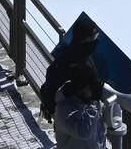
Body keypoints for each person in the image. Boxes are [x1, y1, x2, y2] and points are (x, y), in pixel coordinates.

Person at [42, 15, 109, 149]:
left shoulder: (80, 56)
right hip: (75, 128)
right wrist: (93, 99)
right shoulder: (70, 64)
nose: (96, 41)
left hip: (84, 128)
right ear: (84, 39)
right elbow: (80, 126)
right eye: (94, 37)